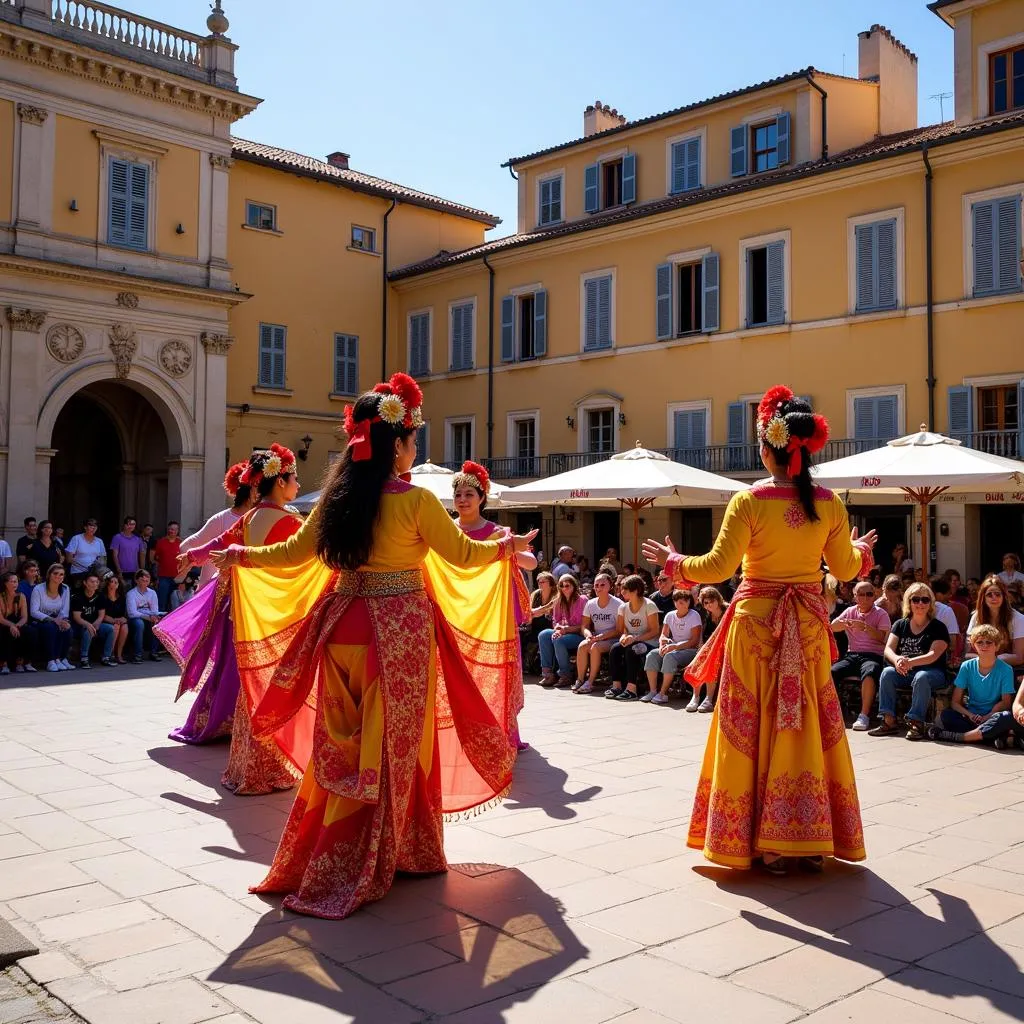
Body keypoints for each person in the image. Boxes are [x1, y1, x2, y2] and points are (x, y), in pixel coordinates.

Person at [208, 373, 534, 920]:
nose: (414, 450)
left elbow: (291, 553)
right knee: (392, 748)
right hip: (399, 633)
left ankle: (332, 848)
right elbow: (462, 556)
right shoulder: (416, 503)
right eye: (412, 441)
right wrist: (504, 546)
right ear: (397, 443)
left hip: (343, 626)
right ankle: (385, 852)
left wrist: (241, 556)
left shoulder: (338, 499)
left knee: (342, 744)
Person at [644, 386, 874, 874]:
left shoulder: (747, 501)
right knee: (803, 724)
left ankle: (756, 840)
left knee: (750, 726)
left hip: (755, 628)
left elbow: (716, 566)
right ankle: (805, 839)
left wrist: (675, 563)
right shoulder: (829, 504)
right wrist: (863, 552)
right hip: (809, 628)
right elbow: (848, 570)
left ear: (766, 447)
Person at [168, 448, 305, 791]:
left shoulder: (252, 517)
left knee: (252, 688)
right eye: (294, 478)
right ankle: (268, 766)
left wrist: (192, 555)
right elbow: (300, 563)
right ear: (280, 481)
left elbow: (218, 544)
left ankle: (248, 765)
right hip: (276, 615)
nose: (298, 484)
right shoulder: (289, 522)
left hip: (248, 614)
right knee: (274, 688)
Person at [448, 460, 534, 750]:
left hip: (494, 614)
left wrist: (509, 547)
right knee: (462, 674)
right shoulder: (448, 531)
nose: (462, 500)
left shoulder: (497, 532)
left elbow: (532, 562)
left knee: (498, 671)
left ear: (482, 497)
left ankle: (505, 732)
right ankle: (461, 731)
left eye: (469, 495)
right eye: (458, 494)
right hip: (458, 610)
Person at [870, 582, 950, 740]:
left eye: (925, 600)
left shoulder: (938, 627)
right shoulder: (900, 625)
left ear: (930, 603)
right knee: (887, 672)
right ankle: (888, 720)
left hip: (933, 673)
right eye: (916, 599)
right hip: (905, 671)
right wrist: (898, 659)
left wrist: (910, 662)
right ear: (909, 602)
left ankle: (916, 722)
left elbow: (933, 655)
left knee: (921, 676)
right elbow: (888, 649)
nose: (920, 603)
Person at [927, 624, 1018, 746]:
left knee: (1005, 717)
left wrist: (987, 716)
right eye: (980, 642)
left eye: (989, 642)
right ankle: (990, 738)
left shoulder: (1006, 669)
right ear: (974, 645)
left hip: (991, 717)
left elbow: (1006, 703)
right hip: (970, 717)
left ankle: (957, 737)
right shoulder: (967, 666)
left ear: (996, 646)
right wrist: (970, 715)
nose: (984, 646)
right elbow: (955, 702)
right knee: (946, 716)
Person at [178, 470, 258, 591]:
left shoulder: (258, 519)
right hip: (214, 592)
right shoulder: (221, 519)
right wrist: (188, 568)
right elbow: (187, 545)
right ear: (250, 493)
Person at [830, 581, 890, 730]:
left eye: (869, 594)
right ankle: (832, 713)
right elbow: (832, 627)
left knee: (870, 671)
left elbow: (883, 638)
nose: (865, 598)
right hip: (852, 654)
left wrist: (864, 627)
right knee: (831, 672)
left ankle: (864, 715)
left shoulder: (881, 614)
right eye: (861, 594)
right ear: (855, 596)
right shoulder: (850, 610)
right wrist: (845, 624)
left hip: (873, 655)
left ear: (874, 595)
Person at [605, 574, 660, 702]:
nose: (622, 591)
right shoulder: (623, 607)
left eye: (626, 589)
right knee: (615, 649)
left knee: (632, 650)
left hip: (649, 642)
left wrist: (635, 638)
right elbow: (622, 631)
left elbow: (655, 631)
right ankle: (616, 686)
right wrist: (623, 637)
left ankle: (631, 690)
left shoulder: (649, 605)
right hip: (632, 641)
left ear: (635, 590)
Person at [643, 589, 702, 704]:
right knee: (652, 655)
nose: (682, 604)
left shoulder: (694, 615)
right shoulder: (669, 615)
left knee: (670, 657)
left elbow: (694, 641)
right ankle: (653, 691)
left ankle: (663, 693)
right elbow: (663, 634)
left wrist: (674, 647)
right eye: (679, 601)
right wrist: (662, 644)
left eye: (685, 601)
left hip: (690, 650)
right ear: (674, 602)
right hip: (672, 647)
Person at [574, 572, 622, 694]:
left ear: (610, 586)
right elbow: (584, 625)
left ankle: (590, 682)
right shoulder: (590, 603)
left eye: (602, 585)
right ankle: (580, 679)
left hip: (613, 639)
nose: (598, 588)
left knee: (595, 647)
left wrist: (602, 637)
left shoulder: (618, 604)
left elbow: (619, 630)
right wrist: (588, 634)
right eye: (596, 585)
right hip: (597, 637)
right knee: (582, 646)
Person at [965, 575, 1024, 671]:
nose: (994, 597)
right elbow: (968, 652)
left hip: (1009, 669)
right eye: (989, 595)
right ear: (983, 598)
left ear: (1004, 597)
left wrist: (992, 660)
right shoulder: (976, 617)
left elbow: (1019, 657)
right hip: (980, 667)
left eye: (997, 594)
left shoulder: (1018, 618)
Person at [538, 574, 586, 688]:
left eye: (567, 585)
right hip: (563, 632)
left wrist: (565, 630)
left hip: (579, 634)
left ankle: (565, 674)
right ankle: (548, 673)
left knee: (559, 640)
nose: (564, 588)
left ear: (574, 585)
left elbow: (584, 625)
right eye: (561, 586)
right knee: (544, 634)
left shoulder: (582, 600)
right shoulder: (559, 600)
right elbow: (555, 620)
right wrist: (558, 629)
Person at [690, 587, 727, 712]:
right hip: (710, 647)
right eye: (706, 602)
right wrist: (700, 648)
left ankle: (709, 699)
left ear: (718, 599)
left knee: (711, 661)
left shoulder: (727, 611)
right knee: (698, 660)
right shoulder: (706, 614)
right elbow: (703, 634)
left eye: (712, 601)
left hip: (726, 647)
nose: (709, 604)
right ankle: (695, 696)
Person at [30, 563, 73, 672]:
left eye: (61, 574)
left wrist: (62, 621)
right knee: (51, 628)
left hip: (58, 618)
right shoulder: (38, 589)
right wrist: (54, 620)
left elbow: (65, 609)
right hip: (40, 620)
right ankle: (51, 661)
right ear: (49, 575)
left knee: (68, 628)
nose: (58, 577)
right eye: (55, 574)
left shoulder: (65, 588)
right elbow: (34, 611)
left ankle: (61, 659)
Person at [71, 571, 116, 668]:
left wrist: (97, 623)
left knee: (110, 629)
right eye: (92, 582)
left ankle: (106, 657)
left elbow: (101, 615)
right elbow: (77, 617)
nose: (95, 584)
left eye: (96, 582)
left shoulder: (100, 596)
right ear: (85, 583)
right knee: (88, 630)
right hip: (80, 626)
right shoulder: (78, 597)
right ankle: (84, 659)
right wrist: (88, 625)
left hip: (96, 624)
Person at [125, 569, 162, 663]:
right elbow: (132, 613)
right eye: (142, 580)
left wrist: (154, 616)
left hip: (148, 616)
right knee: (139, 624)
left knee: (158, 622)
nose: (144, 583)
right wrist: (147, 617)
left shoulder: (152, 593)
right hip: (135, 618)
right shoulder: (131, 594)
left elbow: (154, 610)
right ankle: (137, 655)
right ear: (136, 580)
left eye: (147, 581)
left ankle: (154, 652)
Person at [0, 571, 31, 674]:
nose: (15, 584)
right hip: (3, 623)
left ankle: (21, 663)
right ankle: (4, 664)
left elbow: (24, 617)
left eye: (16, 581)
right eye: (12, 582)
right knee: (4, 632)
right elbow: (1, 619)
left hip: (17, 623)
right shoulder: (0, 596)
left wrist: (17, 626)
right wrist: (12, 626)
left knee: (29, 632)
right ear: (5, 583)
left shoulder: (21, 596)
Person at [522, 571, 555, 668]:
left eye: (543, 582)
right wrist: (544, 608)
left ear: (551, 583)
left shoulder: (556, 594)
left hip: (548, 626)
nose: (540, 584)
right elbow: (528, 611)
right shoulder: (536, 594)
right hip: (534, 626)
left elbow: (550, 611)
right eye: (539, 582)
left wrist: (535, 613)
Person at [930, 576, 962, 666]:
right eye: (948, 594)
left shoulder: (946, 610)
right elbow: (953, 644)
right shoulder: (946, 610)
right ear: (938, 594)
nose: (949, 596)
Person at [64, 518, 106, 585]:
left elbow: (103, 559)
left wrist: (97, 569)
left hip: (94, 575)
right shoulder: (76, 538)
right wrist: (85, 569)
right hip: (78, 573)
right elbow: (69, 559)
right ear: (85, 527)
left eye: (95, 526)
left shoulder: (99, 541)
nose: (93, 528)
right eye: (90, 525)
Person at [152, 522, 182, 612]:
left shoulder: (181, 543)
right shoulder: (161, 542)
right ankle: (160, 623)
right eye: (170, 529)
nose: (172, 531)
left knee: (176, 603)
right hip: (163, 577)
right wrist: (156, 576)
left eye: (174, 529)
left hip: (177, 577)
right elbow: (154, 558)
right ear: (168, 529)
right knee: (162, 602)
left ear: (177, 531)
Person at [100, 573, 129, 664]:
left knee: (125, 627)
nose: (114, 584)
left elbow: (124, 614)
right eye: (111, 582)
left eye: (116, 582)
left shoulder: (121, 597)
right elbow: (102, 615)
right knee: (116, 626)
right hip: (106, 621)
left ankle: (119, 655)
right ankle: (110, 654)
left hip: (118, 620)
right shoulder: (102, 597)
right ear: (107, 584)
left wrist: (123, 619)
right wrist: (114, 620)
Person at [109, 516, 147, 585]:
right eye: (129, 524)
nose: (131, 526)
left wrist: (142, 570)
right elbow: (115, 555)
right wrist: (119, 571)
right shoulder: (117, 537)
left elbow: (142, 555)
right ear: (124, 525)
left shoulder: (138, 539)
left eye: (133, 524)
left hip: (135, 572)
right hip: (122, 571)